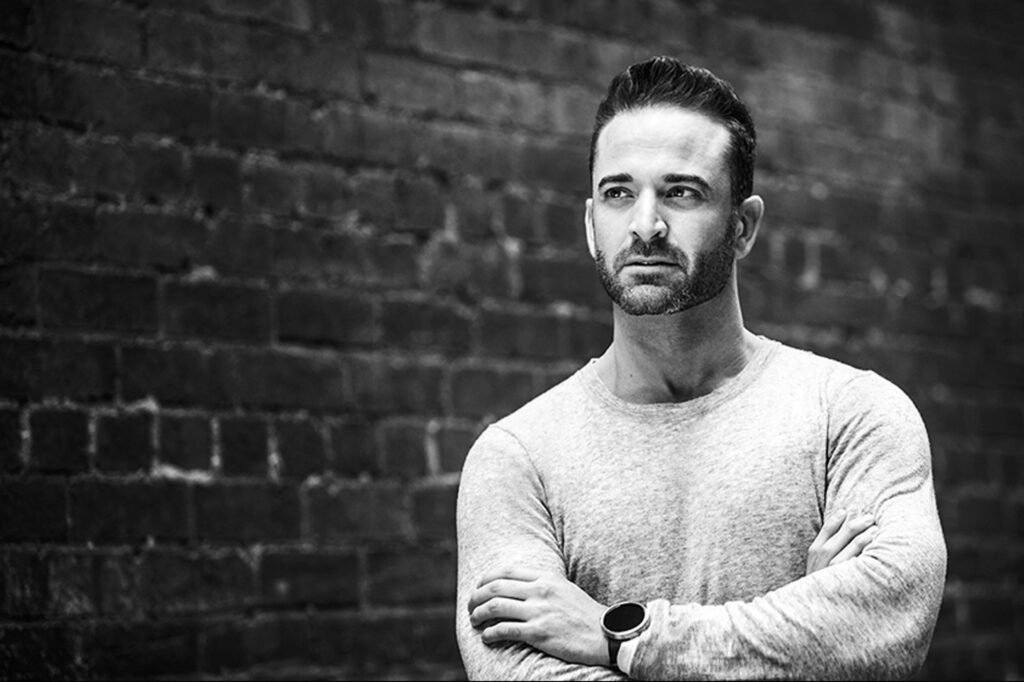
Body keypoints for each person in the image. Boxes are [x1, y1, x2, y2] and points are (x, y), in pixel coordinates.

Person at [454, 56, 947, 680]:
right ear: (590, 224)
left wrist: (616, 635)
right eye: (618, 193)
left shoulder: (851, 417)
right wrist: (800, 647)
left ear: (743, 227)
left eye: (681, 192)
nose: (645, 225)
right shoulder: (516, 459)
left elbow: (883, 629)